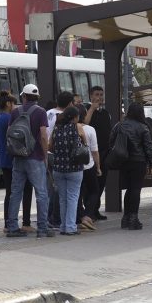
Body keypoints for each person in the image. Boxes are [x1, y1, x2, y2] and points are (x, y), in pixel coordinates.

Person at [7, 84, 55, 238]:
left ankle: (13, 227)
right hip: (35, 158)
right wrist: (45, 154)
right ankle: (42, 228)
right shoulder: (40, 112)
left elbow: (10, 133)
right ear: (37, 97)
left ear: (24, 96)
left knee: (16, 192)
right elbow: (43, 135)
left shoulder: (15, 111)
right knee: (41, 193)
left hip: (19, 157)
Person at [111, 103, 152, 230]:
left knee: (129, 190)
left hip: (124, 161)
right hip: (139, 161)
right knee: (135, 189)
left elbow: (111, 141)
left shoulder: (119, 125)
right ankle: (133, 219)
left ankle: (125, 218)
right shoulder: (143, 127)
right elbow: (148, 147)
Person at [49, 106, 86, 236]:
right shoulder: (77, 127)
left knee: (63, 198)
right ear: (75, 117)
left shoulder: (56, 128)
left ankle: (63, 226)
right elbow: (85, 143)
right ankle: (70, 227)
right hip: (74, 169)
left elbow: (50, 146)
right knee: (72, 198)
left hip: (58, 168)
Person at [0, 90, 25, 232]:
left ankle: (7, 221)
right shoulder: (9, 118)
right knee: (14, 191)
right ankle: (10, 222)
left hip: (2, 157)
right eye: (13, 103)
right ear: (8, 103)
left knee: (9, 191)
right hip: (11, 158)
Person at [45, 91, 74, 227]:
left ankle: (47, 216)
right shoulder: (64, 117)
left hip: (46, 154)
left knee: (49, 189)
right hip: (58, 154)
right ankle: (54, 218)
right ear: (69, 104)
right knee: (59, 190)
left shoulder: (47, 113)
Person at [84, 86, 111, 221]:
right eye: (96, 94)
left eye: (101, 94)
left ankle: (95, 209)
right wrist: (92, 109)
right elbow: (84, 124)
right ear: (91, 96)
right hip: (91, 153)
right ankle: (89, 211)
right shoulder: (86, 110)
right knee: (91, 185)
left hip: (104, 153)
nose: (99, 97)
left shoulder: (105, 113)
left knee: (101, 183)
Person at [76, 105, 100, 232]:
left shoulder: (69, 128)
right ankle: (88, 215)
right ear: (84, 115)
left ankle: (79, 217)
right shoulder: (90, 129)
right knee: (94, 191)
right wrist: (98, 166)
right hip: (89, 165)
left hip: (75, 166)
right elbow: (94, 151)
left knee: (77, 192)